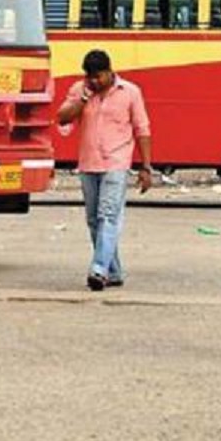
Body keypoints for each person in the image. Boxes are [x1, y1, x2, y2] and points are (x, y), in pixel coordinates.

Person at [57, 49, 153, 291]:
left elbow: (142, 129)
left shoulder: (130, 92)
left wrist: (146, 166)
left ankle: (99, 269)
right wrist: (84, 97)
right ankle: (114, 270)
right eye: (91, 77)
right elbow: (62, 118)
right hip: (88, 163)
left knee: (108, 215)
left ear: (110, 72)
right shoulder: (80, 90)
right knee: (93, 220)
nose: (95, 81)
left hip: (116, 163)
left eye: (99, 77)